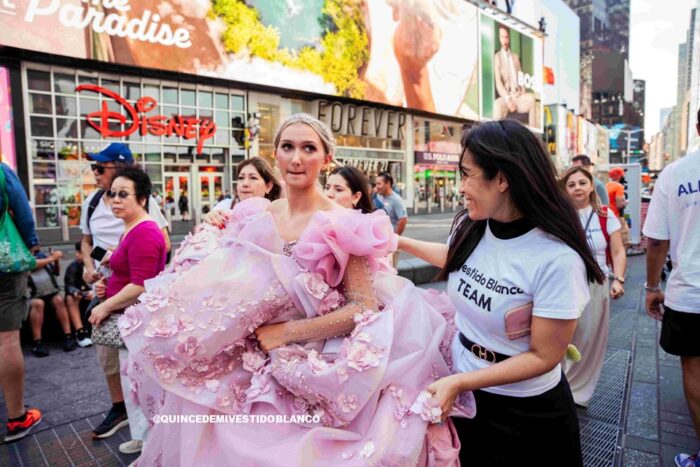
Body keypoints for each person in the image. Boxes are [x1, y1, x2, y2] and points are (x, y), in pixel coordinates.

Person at [121, 113, 474, 465]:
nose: (297, 158)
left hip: (310, 361)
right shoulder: (256, 214)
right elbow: (228, 281)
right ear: (276, 154)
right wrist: (212, 232)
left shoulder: (343, 223)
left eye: (309, 148)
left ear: (326, 159)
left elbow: (362, 306)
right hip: (251, 354)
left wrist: (285, 333)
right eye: (288, 147)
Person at [397, 120, 604, 465]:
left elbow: (544, 356)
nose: (460, 187)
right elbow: (457, 258)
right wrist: (397, 241)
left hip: (525, 415)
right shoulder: (473, 224)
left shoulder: (557, 259)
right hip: (466, 396)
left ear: (503, 179)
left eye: (466, 174)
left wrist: (462, 382)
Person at [79, 142, 169, 441]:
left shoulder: (144, 229)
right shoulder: (129, 226)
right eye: (112, 194)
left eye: (122, 194)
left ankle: (148, 444)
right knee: (131, 381)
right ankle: (141, 439)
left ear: (142, 198)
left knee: (140, 383)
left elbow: (142, 282)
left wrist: (105, 305)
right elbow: (119, 264)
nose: (115, 200)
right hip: (123, 312)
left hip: (133, 317)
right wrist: (107, 279)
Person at [643, 112, 700, 467]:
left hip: (690, 295)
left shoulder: (677, 173)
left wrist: (652, 286)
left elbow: (656, 241)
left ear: (697, 127)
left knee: (695, 375)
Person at [560, 166, 627, 407]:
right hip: (564, 286)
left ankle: (578, 392)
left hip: (596, 284)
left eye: (582, 183)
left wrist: (618, 279)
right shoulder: (558, 216)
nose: (577, 187)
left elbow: (618, 251)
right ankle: (559, 385)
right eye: (571, 184)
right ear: (564, 190)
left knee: (588, 340)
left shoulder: (605, 215)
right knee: (559, 338)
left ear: (591, 186)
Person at [0, 162, 43, 442]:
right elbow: (23, 212)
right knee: (6, 340)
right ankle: (17, 418)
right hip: (3, 262)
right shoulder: (2, 172)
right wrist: (30, 244)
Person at [202, 157, 282, 228]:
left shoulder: (279, 214)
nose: (245, 184)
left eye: (253, 178)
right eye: (241, 178)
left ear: (268, 186)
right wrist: (210, 220)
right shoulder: (225, 207)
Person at [27, 248, 78, 354]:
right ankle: (37, 342)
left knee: (59, 300)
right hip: (33, 294)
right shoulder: (22, 254)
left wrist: (56, 261)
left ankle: (68, 336)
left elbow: (56, 272)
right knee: (38, 304)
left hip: (51, 292)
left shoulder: (42, 255)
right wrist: (52, 258)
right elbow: (31, 265)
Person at [493, 25, 536, 127]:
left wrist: (523, 92)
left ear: (509, 38)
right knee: (497, 105)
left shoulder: (515, 57)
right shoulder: (497, 57)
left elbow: (521, 79)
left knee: (532, 99)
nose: (505, 40)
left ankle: (533, 136)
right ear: (499, 38)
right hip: (506, 97)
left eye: (506, 37)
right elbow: (498, 83)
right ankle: (496, 139)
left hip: (518, 96)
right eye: (502, 37)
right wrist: (508, 99)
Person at [64, 241, 94, 348]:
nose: (77, 254)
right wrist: (76, 292)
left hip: (98, 292)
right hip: (82, 295)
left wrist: (94, 292)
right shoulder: (74, 266)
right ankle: (80, 331)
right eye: (77, 252)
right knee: (70, 298)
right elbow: (69, 285)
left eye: (80, 252)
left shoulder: (98, 262)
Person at [607, 167, 631, 248]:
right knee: (625, 241)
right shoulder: (619, 187)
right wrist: (626, 202)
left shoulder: (607, 185)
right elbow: (619, 204)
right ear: (620, 176)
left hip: (607, 215)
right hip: (617, 216)